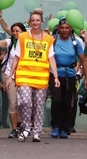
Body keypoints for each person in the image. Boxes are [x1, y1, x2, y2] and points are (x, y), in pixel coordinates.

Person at [9, 10, 60, 142]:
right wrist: (10, 76)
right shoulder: (23, 37)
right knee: (25, 102)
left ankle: (37, 131)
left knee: (38, 105)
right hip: (24, 76)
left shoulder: (48, 39)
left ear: (42, 22)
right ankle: (25, 127)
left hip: (41, 77)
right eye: (33, 20)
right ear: (30, 22)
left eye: (38, 20)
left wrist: (55, 77)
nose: (35, 23)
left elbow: (52, 59)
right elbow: (16, 57)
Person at [50, 17, 86, 139]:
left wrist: (82, 74)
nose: (64, 30)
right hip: (55, 74)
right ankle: (55, 126)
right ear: (58, 29)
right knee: (56, 101)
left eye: (67, 28)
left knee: (67, 103)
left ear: (71, 28)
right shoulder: (53, 40)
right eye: (62, 28)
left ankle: (65, 128)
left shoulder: (76, 41)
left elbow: (82, 59)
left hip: (70, 75)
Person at [0, 20, 26, 138]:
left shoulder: (28, 42)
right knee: (13, 103)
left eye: (18, 31)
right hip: (10, 76)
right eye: (13, 31)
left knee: (24, 103)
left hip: (24, 76)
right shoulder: (10, 42)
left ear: (23, 32)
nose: (15, 33)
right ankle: (14, 129)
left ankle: (23, 125)